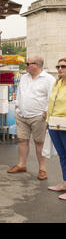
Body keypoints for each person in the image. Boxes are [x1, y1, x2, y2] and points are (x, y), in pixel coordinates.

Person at [8, 56, 55, 180]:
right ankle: (21, 165)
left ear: (37, 65)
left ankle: (42, 169)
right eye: (26, 63)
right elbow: (19, 92)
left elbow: (51, 97)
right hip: (22, 115)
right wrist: (17, 106)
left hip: (38, 116)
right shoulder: (24, 77)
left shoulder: (48, 79)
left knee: (39, 143)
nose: (26, 65)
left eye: (29, 63)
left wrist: (46, 112)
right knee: (22, 140)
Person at [46, 57, 66, 200]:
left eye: (63, 66)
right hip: (54, 123)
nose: (60, 69)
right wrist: (47, 119)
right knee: (62, 156)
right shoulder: (57, 83)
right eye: (58, 66)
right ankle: (65, 183)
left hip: (64, 123)